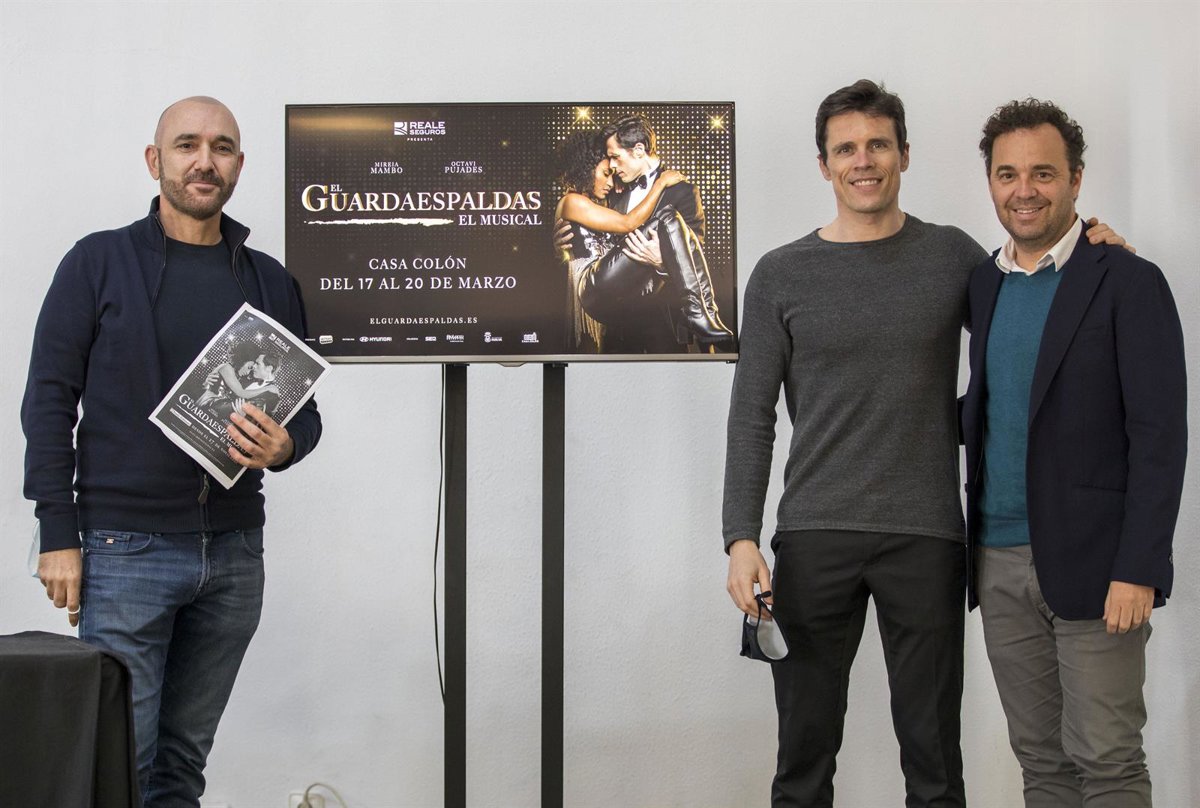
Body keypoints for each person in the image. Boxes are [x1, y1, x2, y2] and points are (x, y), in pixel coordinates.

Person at [722, 80, 1129, 808]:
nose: (863, 160)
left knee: (935, 760)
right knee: (803, 757)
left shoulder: (952, 258)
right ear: (824, 165)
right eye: (846, 149)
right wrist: (740, 537)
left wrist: (1095, 252)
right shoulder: (780, 274)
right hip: (815, 534)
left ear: (904, 155)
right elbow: (752, 414)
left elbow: (1035, 296)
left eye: (878, 144)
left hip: (928, 537)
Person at [23, 96, 322, 807]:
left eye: (222, 148)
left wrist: (285, 446)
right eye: (187, 145)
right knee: (118, 763)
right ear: (155, 161)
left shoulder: (270, 282)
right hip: (124, 550)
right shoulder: (97, 263)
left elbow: (306, 416)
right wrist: (58, 534)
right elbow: (49, 402)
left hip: (235, 555)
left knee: (182, 765)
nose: (204, 161)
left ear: (239, 166)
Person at [962, 99, 1186, 808]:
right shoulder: (984, 284)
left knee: (1108, 760)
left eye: (1043, 173)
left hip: (1098, 565)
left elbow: (1160, 437)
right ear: (991, 183)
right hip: (997, 561)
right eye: (1007, 174)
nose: (1024, 189)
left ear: (1076, 179)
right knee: (1041, 763)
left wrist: (1140, 567)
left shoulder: (1128, 281)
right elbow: (991, 407)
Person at [578, 115, 732, 353]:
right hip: (617, 320)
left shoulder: (683, 191)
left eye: (616, 157)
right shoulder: (614, 189)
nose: (612, 165)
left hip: (663, 323)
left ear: (639, 150)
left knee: (669, 218)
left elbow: (695, 254)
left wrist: (661, 263)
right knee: (667, 217)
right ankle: (704, 316)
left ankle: (702, 315)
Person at [553, 130, 685, 352]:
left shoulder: (595, 202)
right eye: (605, 174)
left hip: (612, 289)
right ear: (585, 170)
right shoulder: (572, 201)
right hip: (590, 286)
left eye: (612, 175)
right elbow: (627, 224)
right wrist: (660, 184)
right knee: (590, 350)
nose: (609, 182)